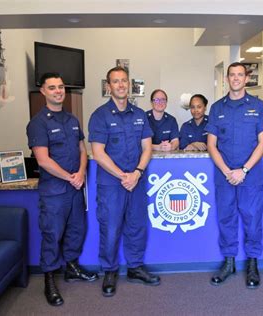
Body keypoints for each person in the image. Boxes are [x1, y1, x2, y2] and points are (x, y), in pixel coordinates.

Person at [26, 73, 98, 307]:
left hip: (75, 188)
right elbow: (43, 160)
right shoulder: (38, 123)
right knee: (52, 235)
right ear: (44, 92)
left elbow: (82, 150)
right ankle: (49, 280)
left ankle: (72, 268)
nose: (58, 91)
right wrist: (70, 177)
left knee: (76, 230)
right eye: (53, 87)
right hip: (54, 192)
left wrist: (80, 173)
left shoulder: (72, 120)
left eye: (61, 87)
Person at [88, 66, 160, 298]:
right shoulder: (100, 116)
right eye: (115, 82)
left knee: (137, 226)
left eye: (124, 81)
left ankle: (135, 268)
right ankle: (109, 271)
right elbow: (98, 153)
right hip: (112, 185)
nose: (120, 85)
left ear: (129, 85)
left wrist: (137, 173)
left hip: (136, 181)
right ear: (108, 86)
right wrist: (123, 176)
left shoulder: (140, 115)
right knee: (110, 228)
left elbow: (147, 147)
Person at [205, 62, 263, 289]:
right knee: (226, 220)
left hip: (250, 177)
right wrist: (226, 171)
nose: (235, 78)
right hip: (224, 177)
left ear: (246, 78)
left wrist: (243, 170)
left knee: (252, 220)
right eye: (231, 75)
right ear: (227, 79)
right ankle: (229, 262)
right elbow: (211, 144)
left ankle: (252, 263)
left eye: (239, 75)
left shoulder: (258, 106)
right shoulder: (216, 108)